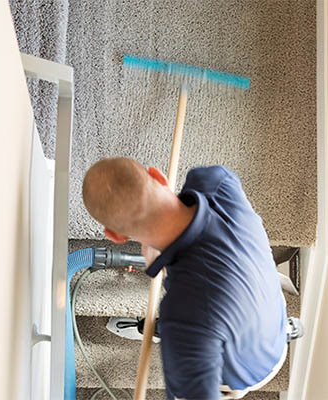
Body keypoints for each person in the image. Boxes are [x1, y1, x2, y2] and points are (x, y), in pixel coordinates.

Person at [82, 157, 302, 400]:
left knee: (188, 343)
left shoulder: (181, 318)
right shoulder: (218, 181)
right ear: (158, 176)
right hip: (271, 308)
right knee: (197, 330)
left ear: (115, 236)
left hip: (251, 372)